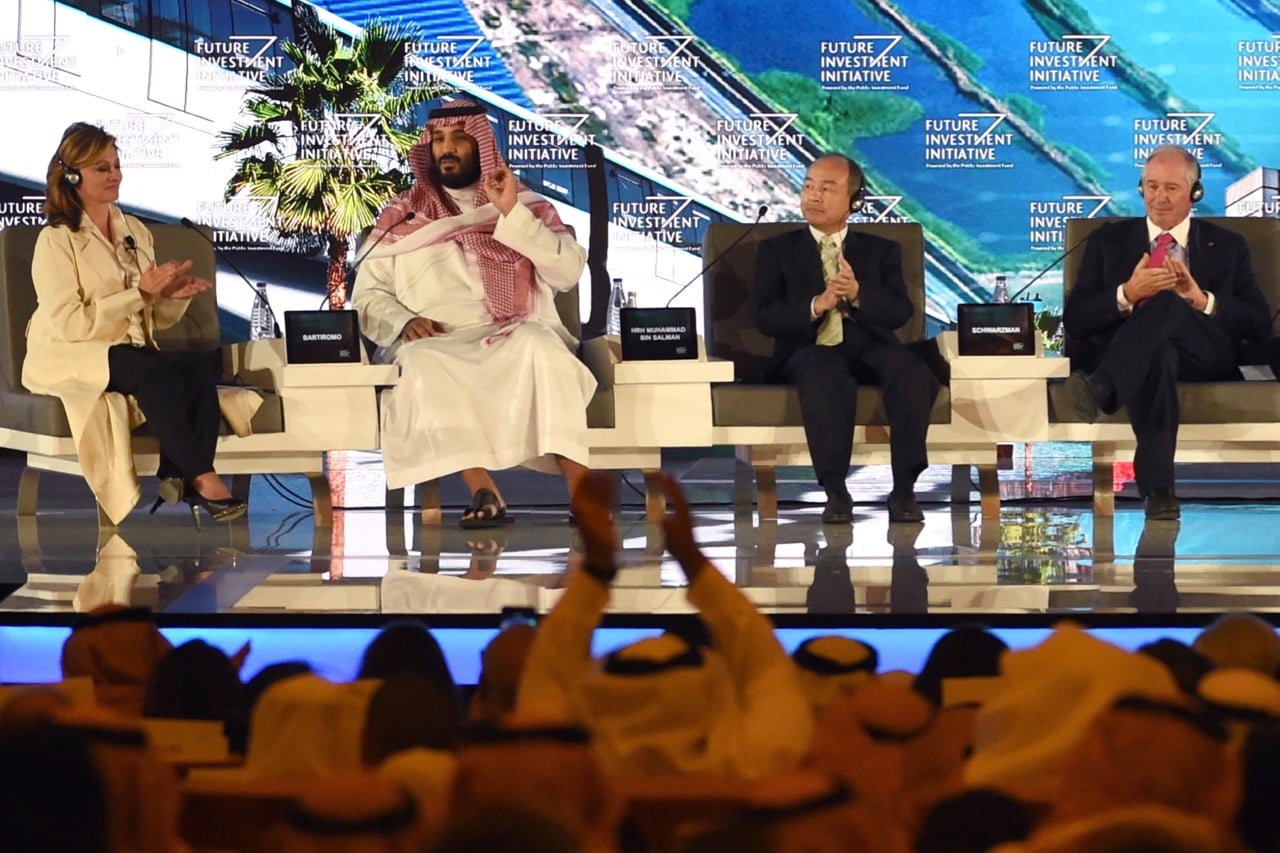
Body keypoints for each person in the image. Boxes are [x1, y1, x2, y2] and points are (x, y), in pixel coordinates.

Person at [354, 100, 595, 528]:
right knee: (421, 362)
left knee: (543, 348)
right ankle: (483, 489)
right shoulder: (402, 214)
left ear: (482, 145)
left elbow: (567, 272)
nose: (447, 148)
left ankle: (584, 494)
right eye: (439, 140)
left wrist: (510, 212)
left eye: (460, 138)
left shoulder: (528, 206)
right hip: (437, 340)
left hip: (514, 333)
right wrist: (403, 322)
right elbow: (369, 295)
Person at [23, 122, 245, 526]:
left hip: (125, 350)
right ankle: (202, 477)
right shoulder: (57, 240)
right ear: (72, 177)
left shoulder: (135, 232)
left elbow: (148, 318)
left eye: (116, 165)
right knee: (154, 373)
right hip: (69, 353)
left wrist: (169, 298)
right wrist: (139, 294)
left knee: (194, 367)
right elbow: (67, 323)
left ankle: (175, 472)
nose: (115, 175)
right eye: (102, 168)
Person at [1062, 145, 1272, 520]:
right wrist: (1128, 294)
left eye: (1171, 188)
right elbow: (1076, 320)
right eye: (1151, 186)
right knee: (1158, 353)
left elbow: (1257, 323)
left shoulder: (1228, 245)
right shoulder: (1107, 241)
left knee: (1167, 304)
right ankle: (1159, 491)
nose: (1159, 197)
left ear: (1195, 193)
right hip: (1140, 359)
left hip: (1207, 355)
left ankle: (1103, 387)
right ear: (1140, 188)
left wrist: (1199, 298)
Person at [752, 153, 940, 525]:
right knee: (823, 371)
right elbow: (765, 317)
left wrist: (856, 294)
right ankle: (836, 490)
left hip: (869, 346)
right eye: (808, 186)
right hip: (807, 349)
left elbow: (899, 313)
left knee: (912, 369)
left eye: (827, 188)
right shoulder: (776, 250)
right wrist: (817, 304)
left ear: (854, 202)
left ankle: (904, 489)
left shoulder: (881, 249)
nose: (813, 196)